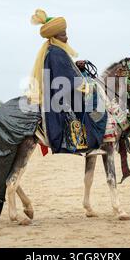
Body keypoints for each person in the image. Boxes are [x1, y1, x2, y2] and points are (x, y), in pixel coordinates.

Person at [27, 9, 107, 155]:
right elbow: (67, 79)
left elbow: (65, 71)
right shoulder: (56, 52)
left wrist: (77, 66)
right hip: (62, 95)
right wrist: (86, 86)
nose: (67, 37)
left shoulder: (54, 50)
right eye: (63, 34)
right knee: (97, 104)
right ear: (55, 36)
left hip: (61, 91)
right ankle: (92, 143)